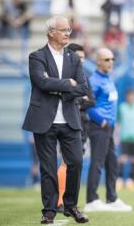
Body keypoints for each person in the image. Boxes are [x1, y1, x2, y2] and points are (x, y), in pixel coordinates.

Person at [22, 16, 89, 224]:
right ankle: (49, 210)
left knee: (76, 162)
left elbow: (83, 87)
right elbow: (41, 82)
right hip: (44, 120)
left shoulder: (73, 58)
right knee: (48, 167)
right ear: (51, 32)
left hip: (69, 120)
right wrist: (68, 84)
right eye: (63, 30)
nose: (68, 33)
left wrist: (58, 87)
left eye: (69, 30)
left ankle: (70, 206)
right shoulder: (36, 56)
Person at [84, 48, 132, 212]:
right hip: (99, 127)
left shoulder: (109, 79)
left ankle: (112, 198)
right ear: (98, 61)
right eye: (106, 59)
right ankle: (91, 200)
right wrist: (102, 121)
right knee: (97, 162)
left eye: (112, 59)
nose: (110, 62)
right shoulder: (94, 81)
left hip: (109, 128)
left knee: (112, 162)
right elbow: (88, 105)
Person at [57, 43, 95, 212]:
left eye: (83, 59)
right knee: (67, 162)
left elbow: (91, 100)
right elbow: (64, 99)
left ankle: (68, 202)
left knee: (75, 164)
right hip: (67, 123)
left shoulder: (85, 78)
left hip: (82, 125)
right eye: (78, 58)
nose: (81, 61)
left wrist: (77, 99)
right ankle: (59, 200)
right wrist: (79, 98)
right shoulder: (61, 76)